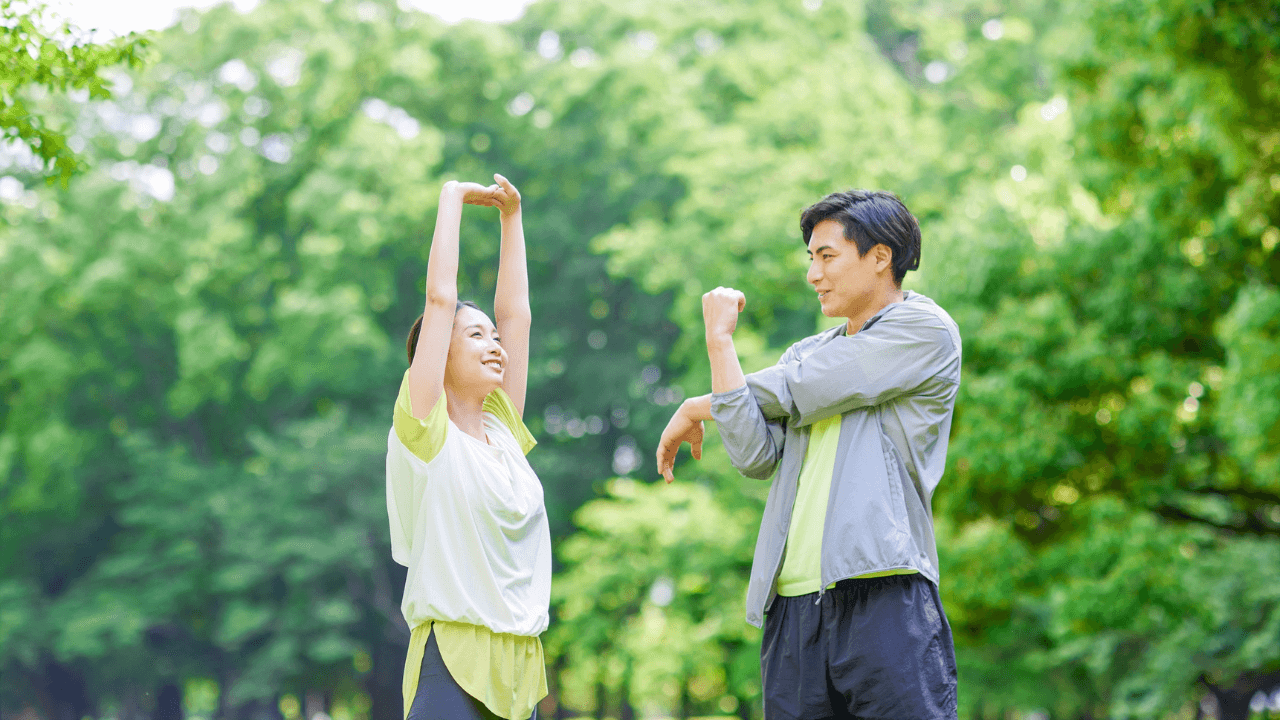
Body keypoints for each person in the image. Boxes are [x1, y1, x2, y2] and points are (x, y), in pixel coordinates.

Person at [655, 190, 962, 719]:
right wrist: (720, 343)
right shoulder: (805, 353)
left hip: (883, 591)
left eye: (827, 256)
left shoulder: (925, 331)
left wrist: (700, 405)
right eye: (810, 258)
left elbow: (805, 387)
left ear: (880, 257)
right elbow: (754, 454)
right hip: (792, 608)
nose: (813, 274)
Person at [386, 174, 549, 720]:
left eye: (493, 337)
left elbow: (517, 316)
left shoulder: (504, 432)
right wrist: (452, 197)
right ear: (437, 356)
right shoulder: (427, 433)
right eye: (475, 336)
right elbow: (440, 299)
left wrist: (511, 217)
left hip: (520, 664)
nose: (495, 344)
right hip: (453, 656)